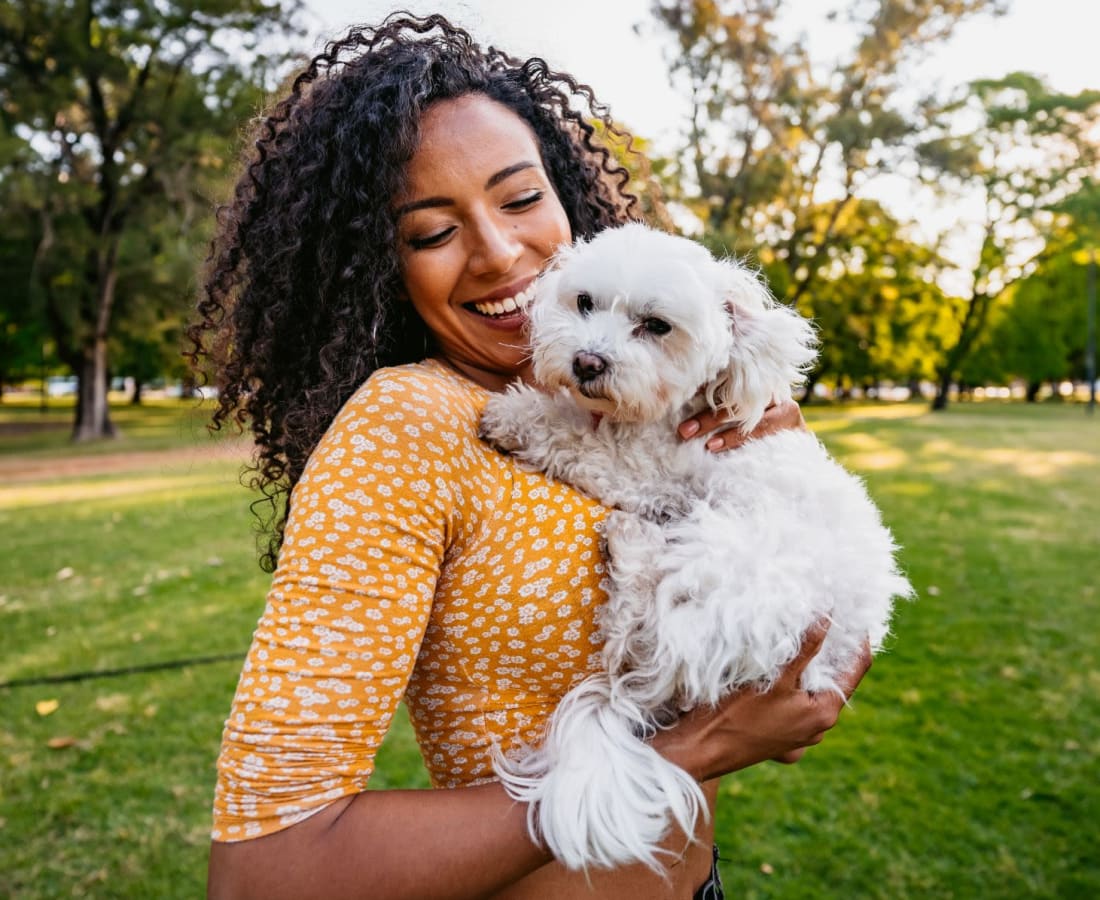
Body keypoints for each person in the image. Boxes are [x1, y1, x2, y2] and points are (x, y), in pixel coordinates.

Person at [189, 14, 872, 900]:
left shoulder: (649, 397)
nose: (503, 253)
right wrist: (695, 750)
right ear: (374, 265)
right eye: (432, 232)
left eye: (520, 200)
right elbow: (264, 869)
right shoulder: (408, 425)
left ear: (568, 198)